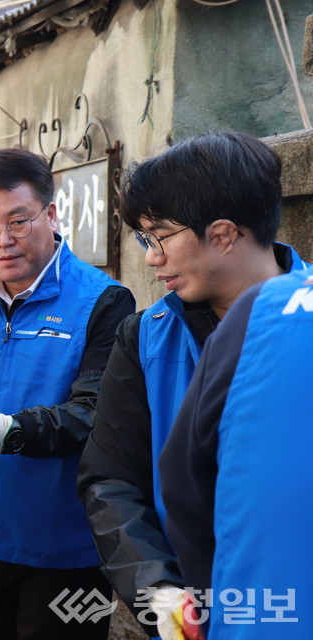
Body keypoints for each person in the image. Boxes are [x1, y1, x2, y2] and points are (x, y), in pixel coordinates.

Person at [76, 130, 308, 639]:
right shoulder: (143, 338)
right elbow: (111, 479)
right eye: (143, 239)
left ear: (223, 234)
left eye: (159, 236)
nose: (150, 257)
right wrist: (158, 590)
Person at [0, 148, 135, 640]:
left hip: (70, 541)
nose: (4, 240)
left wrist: (8, 432)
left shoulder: (104, 301)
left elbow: (95, 412)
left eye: (19, 220)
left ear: (51, 215)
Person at [159, 269, 313, 639]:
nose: (152, 257)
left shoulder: (264, 308)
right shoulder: (151, 327)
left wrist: (209, 602)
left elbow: (182, 481)